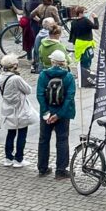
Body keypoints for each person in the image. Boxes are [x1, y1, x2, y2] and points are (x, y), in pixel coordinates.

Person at [36, 50, 76, 179]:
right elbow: (70, 98)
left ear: (52, 61)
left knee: (43, 139)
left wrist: (46, 112)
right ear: (63, 62)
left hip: (47, 112)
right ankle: (61, 170)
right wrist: (59, 114)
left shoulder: (43, 75)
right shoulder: (68, 77)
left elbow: (40, 95)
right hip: (62, 114)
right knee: (62, 139)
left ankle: (42, 168)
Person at [0, 54, 37, 168]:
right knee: (21, 134)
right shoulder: (16, 78)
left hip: (8, 109)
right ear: (14, 65)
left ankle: (8, 157)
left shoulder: (2, 76)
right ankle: (19, 159)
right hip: (20, 110)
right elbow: (28, 90)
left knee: (10, 134)